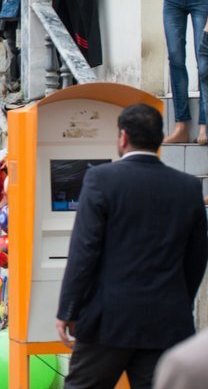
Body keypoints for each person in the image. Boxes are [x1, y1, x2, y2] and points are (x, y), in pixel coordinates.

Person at [56, 103, 207, 389]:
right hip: (166, 322)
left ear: (123, 137)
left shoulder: (101, 179)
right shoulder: (188, 187)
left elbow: (84, 251)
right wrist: (177, 303)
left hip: (107, 321)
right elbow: (197, 258)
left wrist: (69, 309)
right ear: (160, 138)